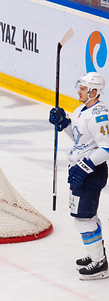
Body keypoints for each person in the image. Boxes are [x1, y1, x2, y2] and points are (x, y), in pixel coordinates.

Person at [49, 72, 109, 280]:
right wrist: (64, 123)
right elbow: (80, 139)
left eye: (82, 89)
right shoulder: (81, 110)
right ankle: (96, 255)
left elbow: (106, 148)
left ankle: (99, 263)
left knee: (83, 220)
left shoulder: (100, 116)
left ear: (94, 92)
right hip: (82, 170)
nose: (78, 91)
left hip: (91, 172)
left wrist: (84, 166)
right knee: (88, 216)